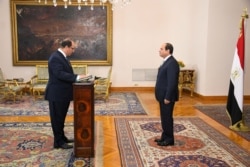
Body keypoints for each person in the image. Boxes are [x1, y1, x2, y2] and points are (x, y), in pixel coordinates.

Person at [45, 39, 88, 149]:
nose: (73, 51)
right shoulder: (55, 57)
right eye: (73, 48)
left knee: (61, 117)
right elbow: (59, 74)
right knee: (57, 119)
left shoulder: (62, 57)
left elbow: (66, 73)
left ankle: (62, 138)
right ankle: (58, 142)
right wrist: (77, 77)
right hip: (56, 94)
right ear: (67, 47)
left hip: (62, 94)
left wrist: (79, 77)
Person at [154, 42, 180, 146]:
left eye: (161, 49)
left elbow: (172, 82)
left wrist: (168, 97)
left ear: (168, 50)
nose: (159, 50)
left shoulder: (172, 63)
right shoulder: (166, 61)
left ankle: (169, 139)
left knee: (167, 117)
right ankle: (164, 137)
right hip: (162, 95)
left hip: (167, 97)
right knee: (164, 117)